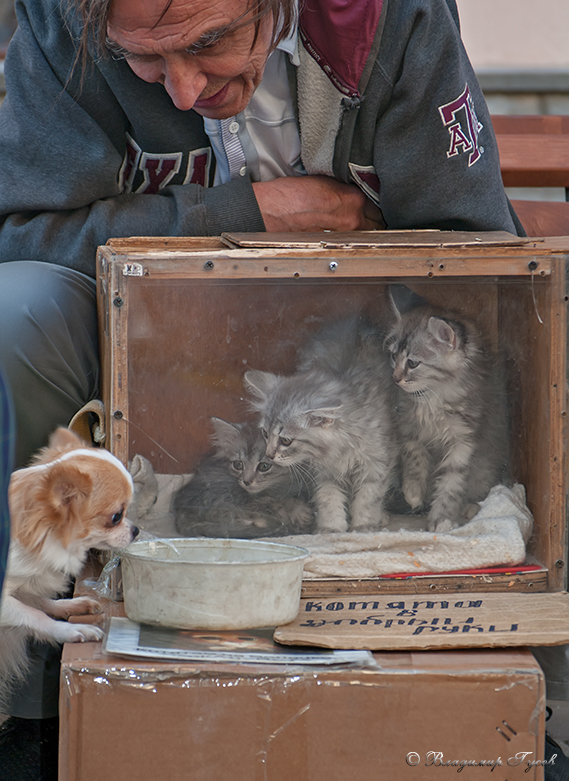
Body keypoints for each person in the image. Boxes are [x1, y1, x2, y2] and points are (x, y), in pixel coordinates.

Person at [0, 0, 526, 776]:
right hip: (136, 357)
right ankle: (43, 708)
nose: (180, 90)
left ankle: (526, 708)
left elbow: (480, 264)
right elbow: (21, 231)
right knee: (16, 311)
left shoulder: (389, 20)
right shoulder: (60, 19)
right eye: (143, 61)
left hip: (359, 358)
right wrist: (243, 213)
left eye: (210, 42)